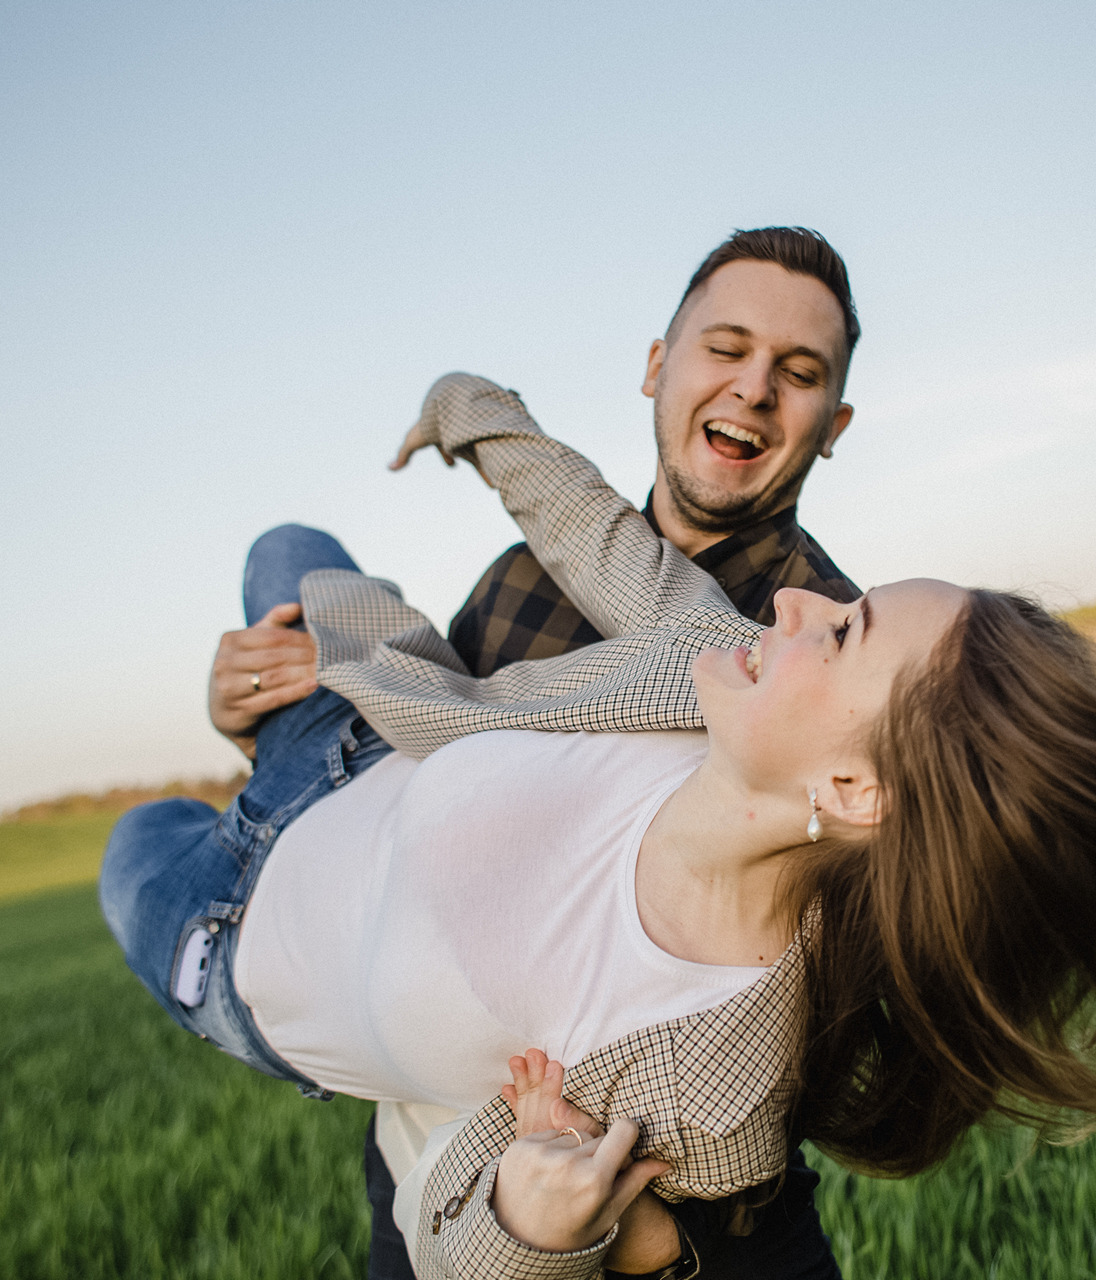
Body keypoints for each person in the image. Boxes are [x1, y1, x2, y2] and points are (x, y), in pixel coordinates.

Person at [103, 372, 1096, 1280]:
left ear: (860, 795)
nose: (802, 603)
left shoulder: (700, 1067)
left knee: (128, 846)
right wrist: (470, 407)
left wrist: (533, 1223)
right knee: (289, 552)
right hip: (347, 749)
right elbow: (589, 525)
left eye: (847, 633)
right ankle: (259, 722)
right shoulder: (701, 675)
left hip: (240, 935)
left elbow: (453, 1231)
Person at [210, 227, 867, 1279]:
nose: (751, 390)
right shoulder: (523, 580)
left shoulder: (816, 661)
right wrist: (266, 707)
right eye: (725, 349)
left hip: (677, 1217)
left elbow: (821, 1001)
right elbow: (407, 786)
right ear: (659, 365)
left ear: (831, 424)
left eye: (796, 374)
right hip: (428, 1150)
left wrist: (649, 1237)